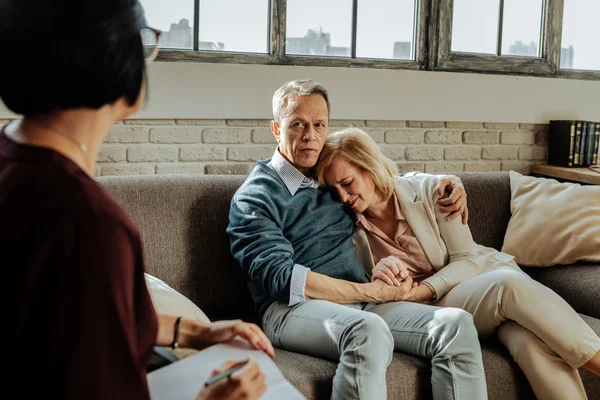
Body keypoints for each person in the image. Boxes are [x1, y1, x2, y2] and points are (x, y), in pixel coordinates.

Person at [1, 1, 273, 399]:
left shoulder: (12, 157)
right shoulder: (88, 223)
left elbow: (77, 320)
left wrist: (197, 331)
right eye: (145, 41)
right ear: (108, 57)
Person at [227, 79, 488, 400]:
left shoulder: (326, 178)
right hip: (289, 311)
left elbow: (378, 179)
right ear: (276, 129)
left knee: (456, 326)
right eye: (297, 124)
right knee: (367, 331)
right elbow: (283, 280)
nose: (310, 135)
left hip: (360, 304)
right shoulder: (255, 197)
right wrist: (370, 290)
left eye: (319, 124)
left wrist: (445, 182)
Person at [314, 127, 600, 400]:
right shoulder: (342, 225)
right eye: (332, 189)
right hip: (436, 310)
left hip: (475, 283)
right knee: (508, 287)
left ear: (370, 167)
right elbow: (359, 283)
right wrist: (382, 279)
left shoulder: (432, 190)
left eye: (347, 183)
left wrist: (423, 289)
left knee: (532, 343)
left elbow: (467, 259)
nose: (341, 196)